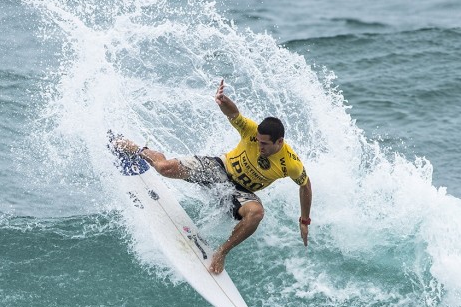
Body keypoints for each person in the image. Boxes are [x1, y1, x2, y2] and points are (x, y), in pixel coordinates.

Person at [111, 79, 313, 275]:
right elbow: (234, 115)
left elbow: (305, 186)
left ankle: (221, 252)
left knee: (256, 213)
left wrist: (304, 220)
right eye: (258, 142)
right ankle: (133, 148)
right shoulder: (251, 131)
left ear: (279, 142)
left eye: (265, 145)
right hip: (219, 168)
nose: (259, 146)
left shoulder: (291, 164)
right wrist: (223, 101)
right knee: (164, 168)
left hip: (240, 192)